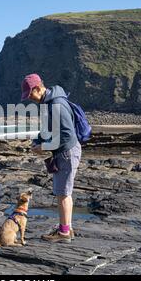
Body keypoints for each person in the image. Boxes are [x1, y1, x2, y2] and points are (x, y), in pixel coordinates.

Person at [21, 73, 82, 243]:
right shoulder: (50, 102)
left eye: (30, 95)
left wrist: (44, 147)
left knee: (63, 193)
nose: (29, 99)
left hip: (67, 152)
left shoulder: (56, 104)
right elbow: (49, 129)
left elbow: (66, 136)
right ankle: (66, 228)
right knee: (63, 192)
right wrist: (38, 140)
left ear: (38, 88)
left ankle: (63, 233)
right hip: (65, 152)